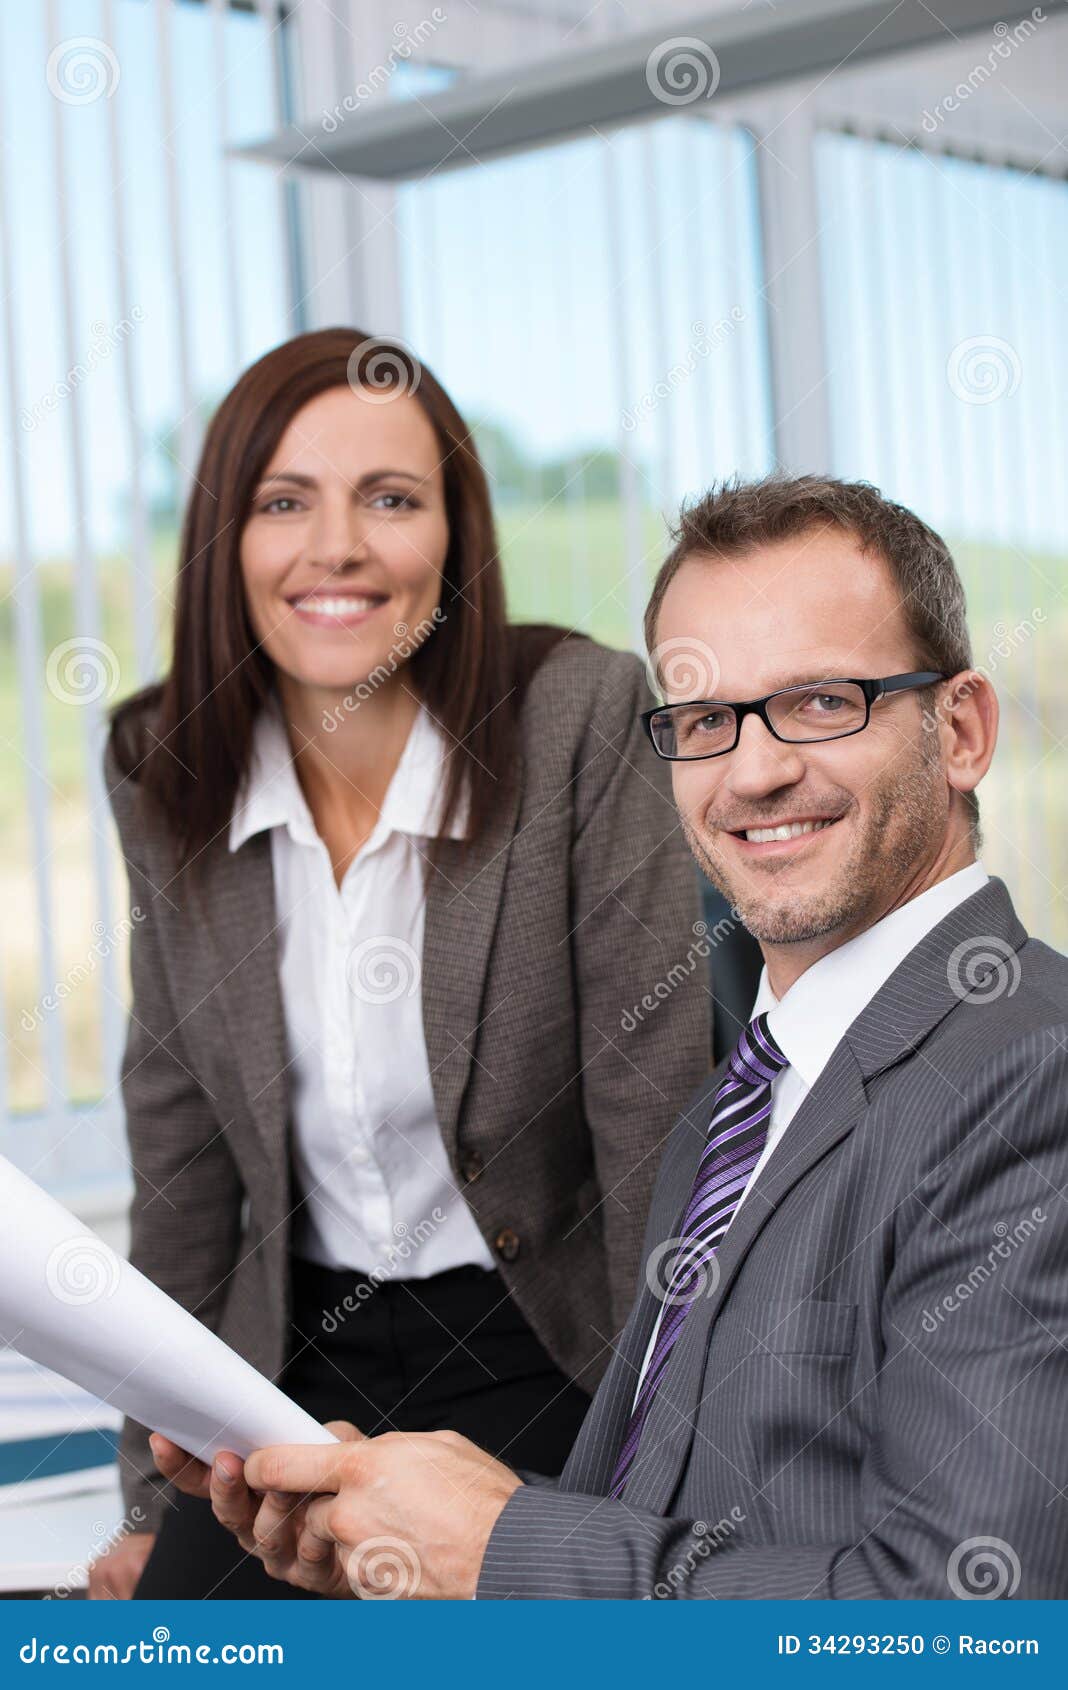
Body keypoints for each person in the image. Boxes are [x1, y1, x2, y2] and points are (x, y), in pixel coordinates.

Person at [165, 473, 1068, 1600]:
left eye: (825, 701)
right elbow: (662, 1526)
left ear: (965, 729)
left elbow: (969, 1629)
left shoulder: (1031, 1079)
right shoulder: (746, 1095)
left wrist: (501, 1545)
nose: (754, 770)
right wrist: (409, 1535)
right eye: (705, 721)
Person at [93, 328, 710, 1598]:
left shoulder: (580, 718)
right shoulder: (163, 763)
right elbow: (182, 1159)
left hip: (546, 1343)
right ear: (229, 543)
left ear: (452, 533)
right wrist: (152, 1502)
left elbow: (657, 1128)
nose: (338, 548)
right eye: (283, 503)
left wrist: (664, 1486)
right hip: (282, 1374)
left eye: (390, 499)